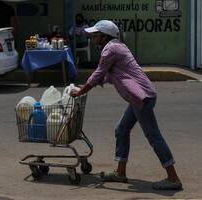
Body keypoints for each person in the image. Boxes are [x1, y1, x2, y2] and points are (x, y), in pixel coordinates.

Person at [70, 20, 183, 190]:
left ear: (104, 36)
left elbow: (99, 73)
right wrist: (91, 85)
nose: (93, 38)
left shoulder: (111, 49)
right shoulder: (117, 46)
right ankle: (120, 173)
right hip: (139, 97)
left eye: (95, 35)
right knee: (121, 130)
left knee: (153, 136)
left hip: (142, 98)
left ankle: (173, 178)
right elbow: (111, 73)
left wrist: (81, 91)